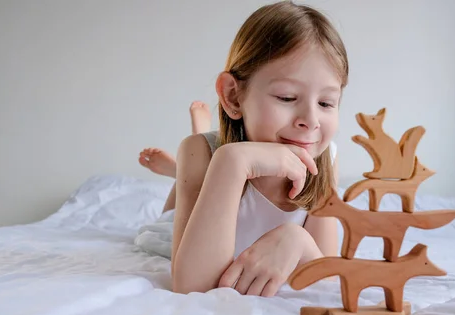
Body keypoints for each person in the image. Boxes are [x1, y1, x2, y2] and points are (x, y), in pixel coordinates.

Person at [137, 1, 348, 298]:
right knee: (173, 206)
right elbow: (192, 287)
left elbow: (324, 277)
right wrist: (232, 159)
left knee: (196, 170)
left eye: (326, 103)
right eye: (287, 97)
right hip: (193, 201)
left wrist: (295, 238)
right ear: (233, 97)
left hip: (207, 167)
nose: (311, 121)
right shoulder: (205, 154)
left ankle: (181, 174)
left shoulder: (326, 156)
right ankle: (187, 165)